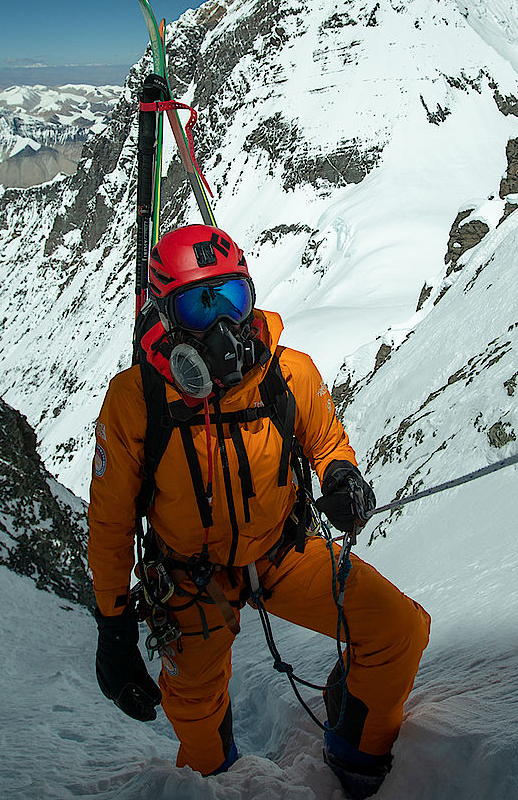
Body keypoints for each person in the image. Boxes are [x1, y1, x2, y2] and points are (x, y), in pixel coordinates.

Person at [88, 223, 430, 797]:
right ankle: (220, 784)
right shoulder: (136, 400)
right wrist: (112, 623)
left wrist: (342, 475)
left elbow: (324, 440)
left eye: (233, 297)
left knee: (397, 630)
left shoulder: (287, 372)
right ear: (167, 317)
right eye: (201, 305)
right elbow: (112, 524)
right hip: (189, 579)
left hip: (285, 552)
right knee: (193, 710)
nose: (223, 323)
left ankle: (356, 754)